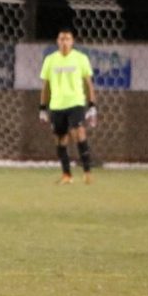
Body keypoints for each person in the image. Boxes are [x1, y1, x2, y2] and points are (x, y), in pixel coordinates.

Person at [38, 27, 98, 184]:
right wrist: (42, 108)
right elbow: (46, 86)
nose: (64, 42)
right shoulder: (50, 60)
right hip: (57, 106)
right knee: (60, 140)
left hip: (76, 103)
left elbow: (88, 84)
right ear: (57, 41)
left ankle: (87, 172)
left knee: (79, 133)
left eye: (67, 39)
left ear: (72, 42)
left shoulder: (81, 58)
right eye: (61, 39)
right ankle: (67, 175)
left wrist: (92, 105)